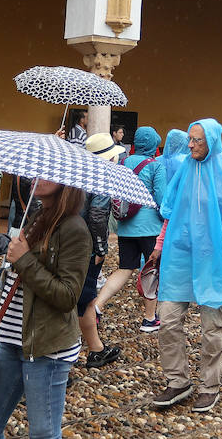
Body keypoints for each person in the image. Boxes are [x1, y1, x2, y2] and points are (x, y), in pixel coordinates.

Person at [0, 178, 89, 439]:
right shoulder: (36, 217)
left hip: (46, 348)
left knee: (43, 433)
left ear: (66, 182)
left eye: (47, 175)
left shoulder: (74, 229)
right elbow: (18, 288)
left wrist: (24, 259)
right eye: (37, 174)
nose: (36, 180)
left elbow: (67, 296)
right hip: (9, 341)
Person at [150, 119, 222, 413]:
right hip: (180, 257)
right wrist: (159, 247)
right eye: (190, 139)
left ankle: (209, 385)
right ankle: (177, 380)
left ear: (211, 141)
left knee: (212, 329)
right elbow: (171, 212)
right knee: (168, 319)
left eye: (197, 140)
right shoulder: (185, 167)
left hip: (217, 259)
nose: (190, 145)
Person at [93, 125, 165, 333]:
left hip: (126, 225)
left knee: (125, 268)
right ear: (152, 144)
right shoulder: (155, 166)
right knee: (151, 270)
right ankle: (150, 318)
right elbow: (161, 198)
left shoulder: (122, 162)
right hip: (150, 227)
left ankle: (97, 305)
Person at [77, 134, 122, 369]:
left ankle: (96, 348)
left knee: (80, 297)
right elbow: (96, 216)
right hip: (86, 247)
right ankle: (78, 352)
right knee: (82, 297)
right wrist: (101, 247)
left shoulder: (78, 173)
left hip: (72, 241)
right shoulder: (101, 177)